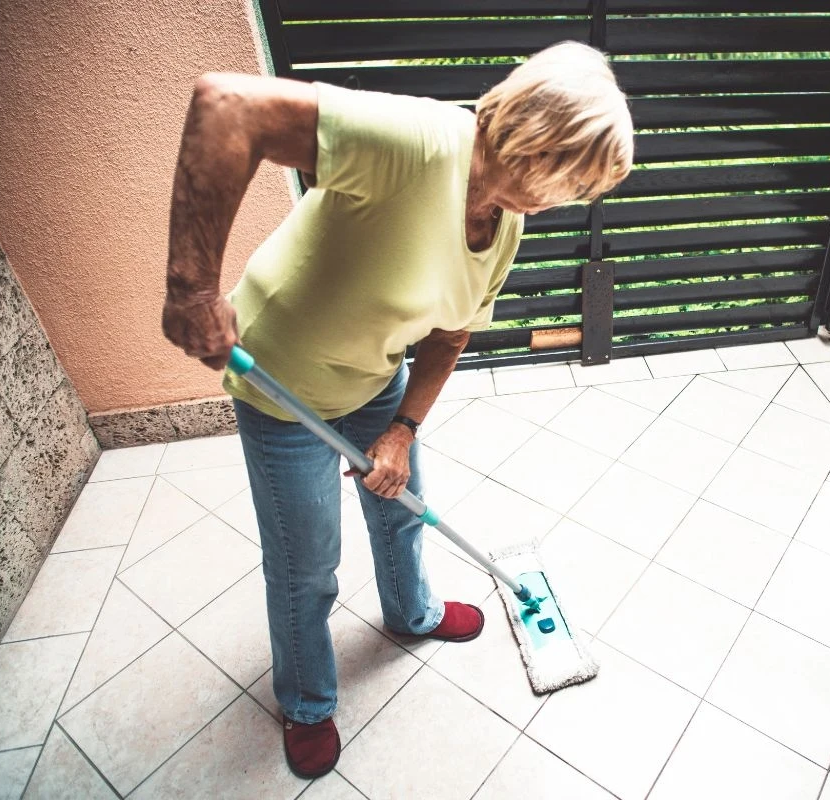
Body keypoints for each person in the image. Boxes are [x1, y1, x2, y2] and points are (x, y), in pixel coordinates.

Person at [161, 41, 633, 779]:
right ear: (541, 138)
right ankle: (309, 701)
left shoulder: (505, 224)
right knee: (306, 563)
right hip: (282, 381)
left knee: (404, 505)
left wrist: (403, 429)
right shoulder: (421, 142)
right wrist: (192, 288)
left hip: (374, 374)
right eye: (574, 178)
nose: (571, 198)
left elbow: (450, 335)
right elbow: (228, 105)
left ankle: (411, 613)